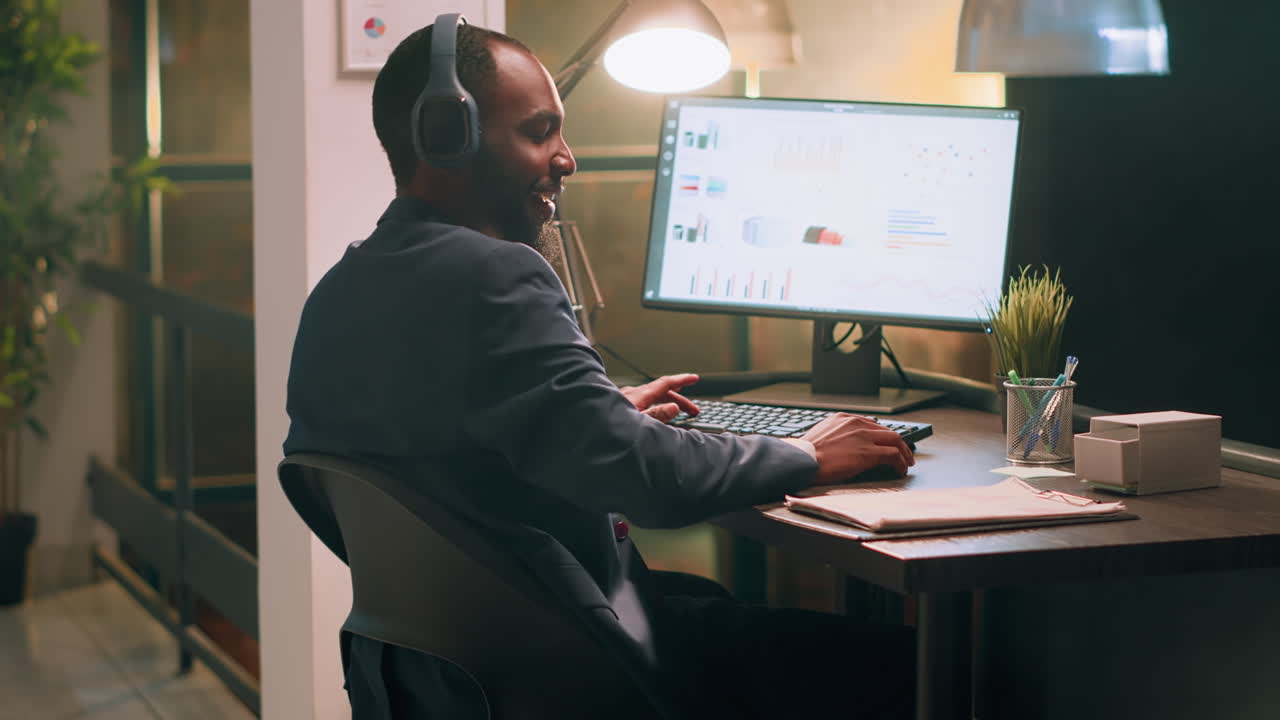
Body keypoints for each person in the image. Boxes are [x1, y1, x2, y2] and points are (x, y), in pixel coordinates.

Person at [285, 17, 916, 720]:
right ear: (447, 137)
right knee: (916, 669)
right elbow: (649, 481)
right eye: (538, 132)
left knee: (711, 604)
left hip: (435, 679)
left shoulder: (343, 288)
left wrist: (595, 409)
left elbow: (442, 442)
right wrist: (804, 452)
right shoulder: (497, 276)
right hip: (578, 669)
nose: (566, 158)